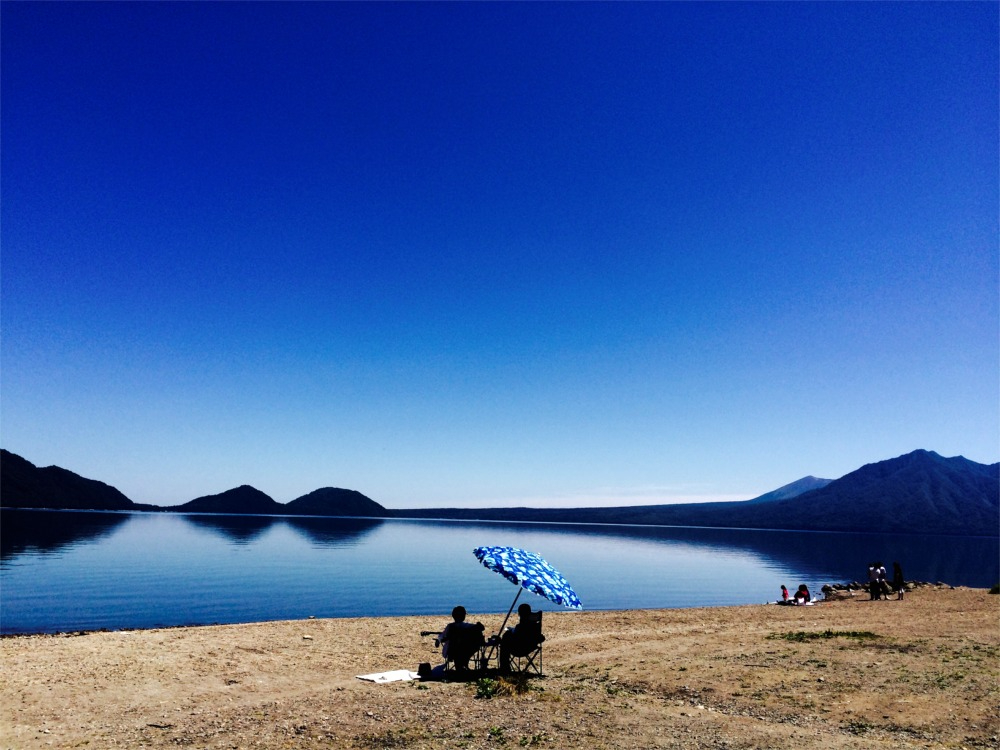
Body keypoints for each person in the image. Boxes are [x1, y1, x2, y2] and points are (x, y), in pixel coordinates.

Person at [499, 603, 544, 673]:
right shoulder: (534, 626)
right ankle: (505, 668)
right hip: (530, 646)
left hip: (519, 648)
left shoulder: (521, 627)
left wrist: (511, 630)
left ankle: (505, 668)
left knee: (505, 638)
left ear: (520, 614)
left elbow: (518, 634)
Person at [436, 606, 484, 671]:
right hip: (463, 650)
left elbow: (442, 636)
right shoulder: (467, 626)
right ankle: (464, 664)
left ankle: (462, 665)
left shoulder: (451, 626)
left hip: (453, 651)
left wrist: (438, 640)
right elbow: (481, 628)